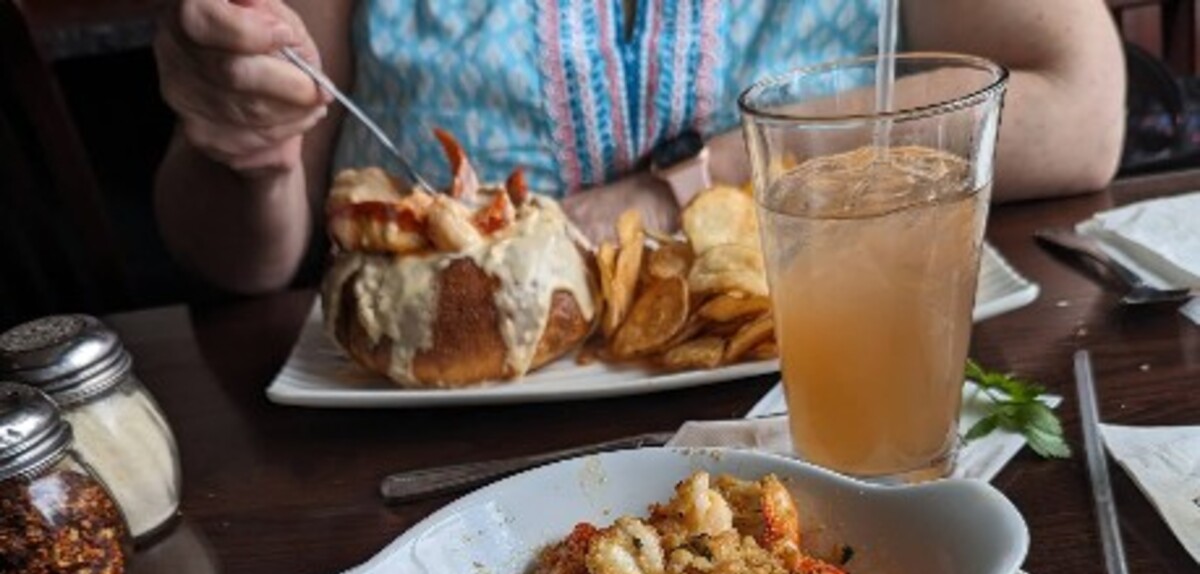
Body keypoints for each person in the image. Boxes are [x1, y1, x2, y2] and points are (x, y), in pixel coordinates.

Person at [153, 0, 1126, 296]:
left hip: (808, 409)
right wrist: (243, 146)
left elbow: (1082, 113)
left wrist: (682, 192)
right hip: (419, 469)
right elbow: (242, 256)